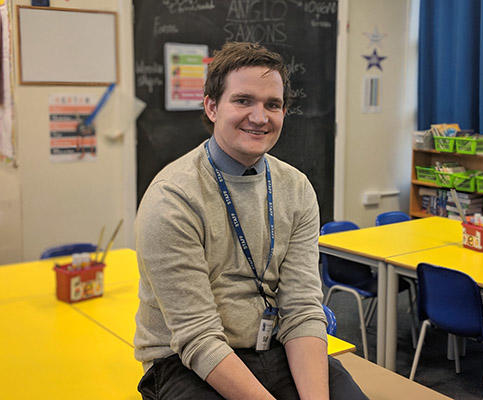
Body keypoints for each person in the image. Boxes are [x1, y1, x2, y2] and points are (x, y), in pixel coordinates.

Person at [134, 42, 367, 400]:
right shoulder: (172, 197)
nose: (260, 117)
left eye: (272, 104)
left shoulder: (297, 188)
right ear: (212, 107)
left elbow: (302, 307)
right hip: (185, 360)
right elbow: (197, 336)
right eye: (243, 100)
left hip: (275, 346)